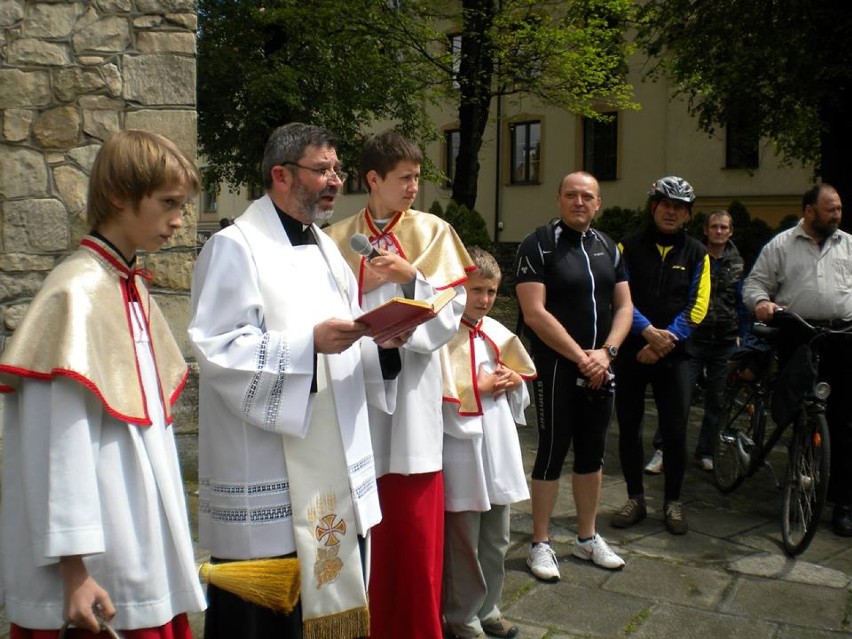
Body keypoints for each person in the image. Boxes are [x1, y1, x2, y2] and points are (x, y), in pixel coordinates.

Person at [188, 123, 405, 639]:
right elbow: (218, 350)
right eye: (322, 170)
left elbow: (346, 333)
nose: (334, 180)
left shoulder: (328, 249)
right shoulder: (234, 246)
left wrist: (384, 346)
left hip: (335, 464)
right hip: (269, 472)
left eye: (337, 170)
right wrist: (308, 345)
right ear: (280, 175)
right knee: (266, 624)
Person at [0, 130, 207, 638]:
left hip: (138, 545)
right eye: (168, 203)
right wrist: (74, 571)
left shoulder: (129, 284)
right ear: (119, 196)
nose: (179, 219)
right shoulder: (75, 294)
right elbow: (58, 447)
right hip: (97, 574)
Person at [325, 130, 473, 639]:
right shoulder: (336, 237)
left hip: (411, 399)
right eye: (405, 178)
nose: (414, 187)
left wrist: (412, 277)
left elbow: (452, 311)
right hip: (357, 391)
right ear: (373, 179)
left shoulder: (434, 233)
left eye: (417, 177)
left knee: (411, 535)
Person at [513, 171, 633, 583]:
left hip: (602, 365)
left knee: (592, 453)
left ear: (598, 203)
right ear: (559, 199)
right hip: (558, 367)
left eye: (587, 196)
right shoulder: (539, 244)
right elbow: (534, 313)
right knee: (551, 451)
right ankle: (540, 543)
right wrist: (583, 358)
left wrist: (608, 353)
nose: (579, 202)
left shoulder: (609, 248)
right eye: (571, 195)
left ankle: (587, 536)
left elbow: (624, 307)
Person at [743, 183, 852, 537]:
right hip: (799, 335)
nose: (837, 215)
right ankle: (798, 481)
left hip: (842, 337)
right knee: (798, 412)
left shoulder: (848, 244)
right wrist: (762, 303)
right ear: (809, 211)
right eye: (830, 209)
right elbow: (754, 285)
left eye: (838, 209)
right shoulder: (781, 246)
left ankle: (842, 502)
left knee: (844, 419)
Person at [441, 247, 536, 639]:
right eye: (476, 290)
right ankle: (462, 616)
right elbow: (435, 392)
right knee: (464, 539)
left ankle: (490, 607)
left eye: (492, 291)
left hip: (497, 445)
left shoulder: (499, 332)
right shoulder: (441, 336)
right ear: (458, 287)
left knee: (497, 535)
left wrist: (514, 383)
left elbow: (523, 381)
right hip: (461, 450)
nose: (483, 300)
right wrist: (475, 386)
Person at [611, 176, 710, 535]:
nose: (672, 212)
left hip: (675, 356)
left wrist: (666, 341)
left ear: (687, 215)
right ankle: (635, 498)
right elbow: (618, 297)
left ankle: (673, 503)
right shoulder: (627, 247)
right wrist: (647, 333)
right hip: (633, 352)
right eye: (666, 205)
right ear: (653, 207)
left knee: (675, 431)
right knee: (630, 428)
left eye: (680, 208)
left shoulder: (697, 252)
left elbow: (698, 307)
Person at [645, 210, 747, 472]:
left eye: (724, 228)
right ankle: (663, 450)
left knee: (717, 399)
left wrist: (743, 341)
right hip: (693, 339)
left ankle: (706, 451)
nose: (719, 232)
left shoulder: (737, 263)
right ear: (706, 229)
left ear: (731, 232)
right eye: (715, 227)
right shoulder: (693, 254)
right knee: (678, 397)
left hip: (724, 339)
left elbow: (743, 304)